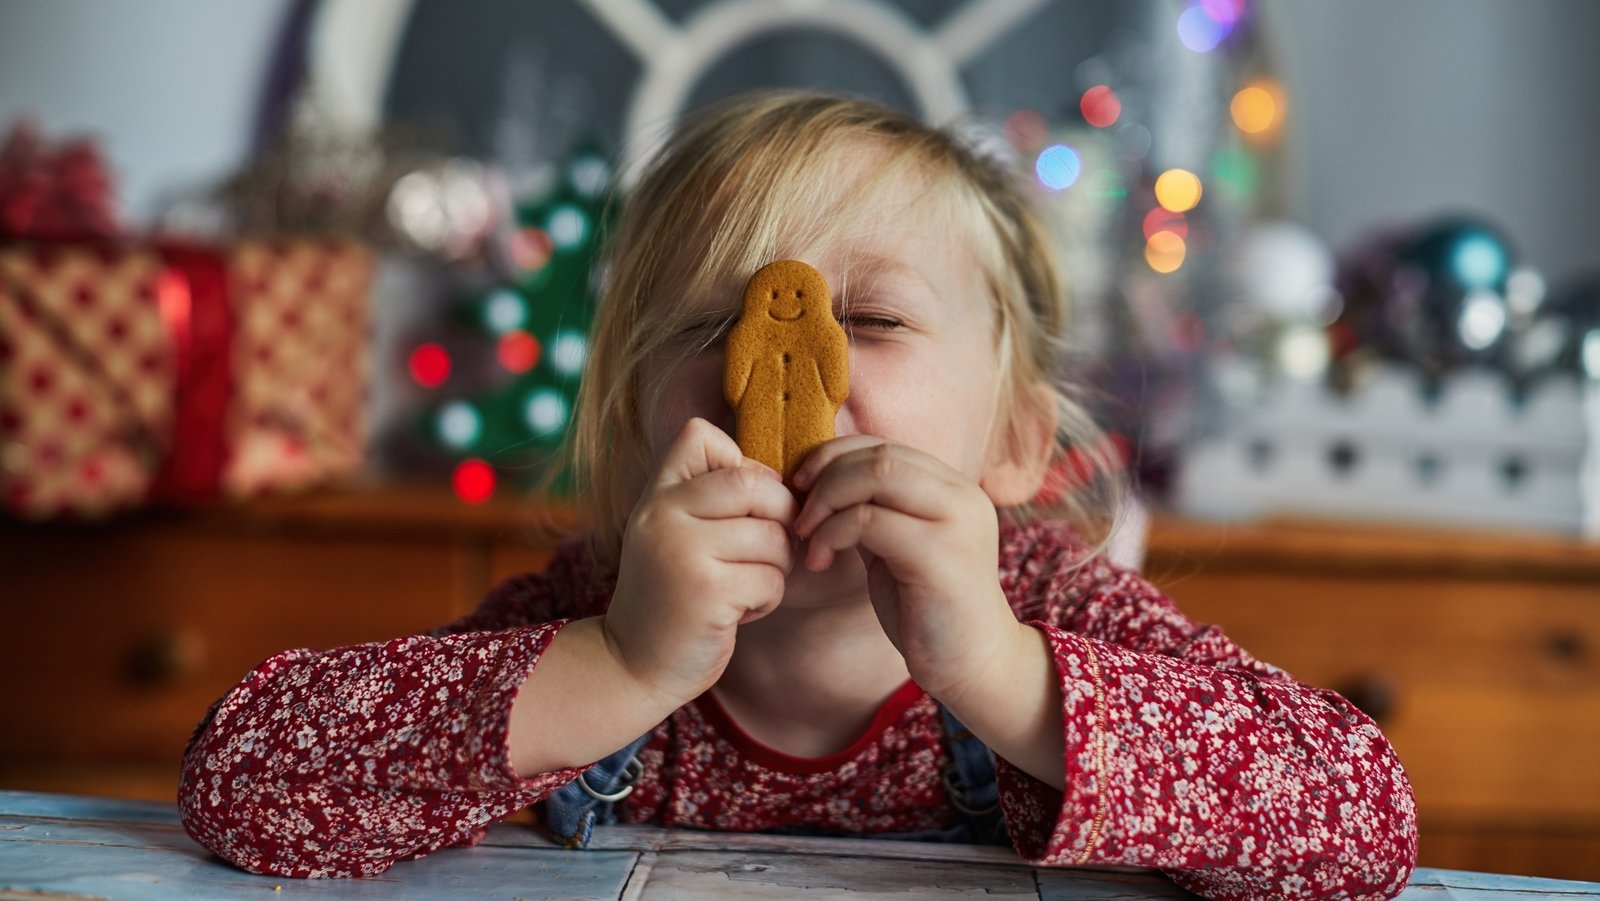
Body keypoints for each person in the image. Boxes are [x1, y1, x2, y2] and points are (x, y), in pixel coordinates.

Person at [178, 90, 1418, 899]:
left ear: (1015, 444)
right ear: (631, 426)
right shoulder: (603, 604)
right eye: (710, 323)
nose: (764, 367)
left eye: (869, 318)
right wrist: (615, 665)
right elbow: (240, 782)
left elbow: (1362, 824)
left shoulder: (1045, 605)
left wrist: (998, 669)